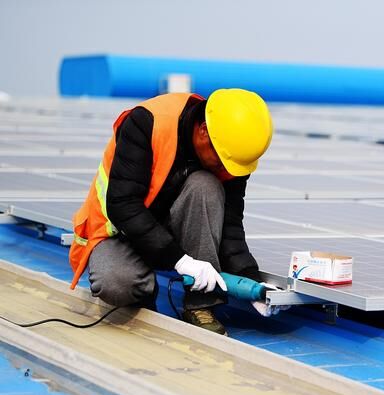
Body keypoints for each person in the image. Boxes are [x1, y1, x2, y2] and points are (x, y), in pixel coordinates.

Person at [68, 89, 272, 336]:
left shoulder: (231, 153)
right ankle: (144, 292)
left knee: (205, 185)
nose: (224, 169)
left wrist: (250, 279)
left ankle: (200, 304)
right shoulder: (148, 122)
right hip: (122, 231)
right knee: (117, 284)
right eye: (221, 161)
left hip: (171, 230)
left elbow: (230, 225)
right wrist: (180, 261)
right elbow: (123, 204)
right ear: (203, 131)